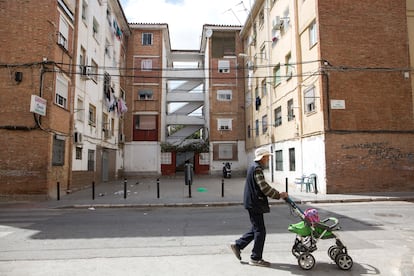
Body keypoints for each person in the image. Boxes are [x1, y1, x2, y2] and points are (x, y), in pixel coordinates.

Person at [230, 147, 288, 267]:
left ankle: (238, 245)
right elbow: (264, 187)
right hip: (254, 203)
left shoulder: (254, 167)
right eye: (267, 157)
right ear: (262, 158)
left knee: (256, 228)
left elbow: (263, 186)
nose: (268, 159)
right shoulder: (257, 169)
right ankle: (255, 258)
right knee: (260, 231)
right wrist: (279, 195)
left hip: (252, 202)